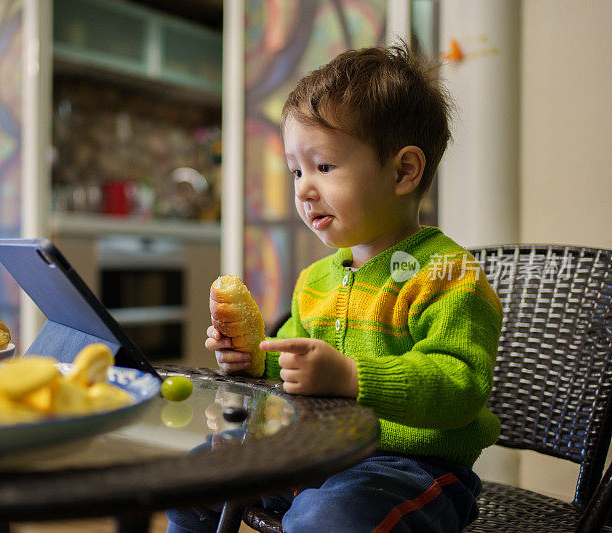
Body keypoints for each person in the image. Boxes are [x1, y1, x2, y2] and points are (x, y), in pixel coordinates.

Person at [166, 42, 502, 532]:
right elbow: (296, 372)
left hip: (410, 470)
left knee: (326, 517)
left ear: (404, 171)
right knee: (195, 477)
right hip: (316, 454)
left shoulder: (449, 274)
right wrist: (253, 359)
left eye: (323, 167)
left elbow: (460, 387)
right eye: (296, 170)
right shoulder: (316, 279)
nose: (302, 187)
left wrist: (352, 377)